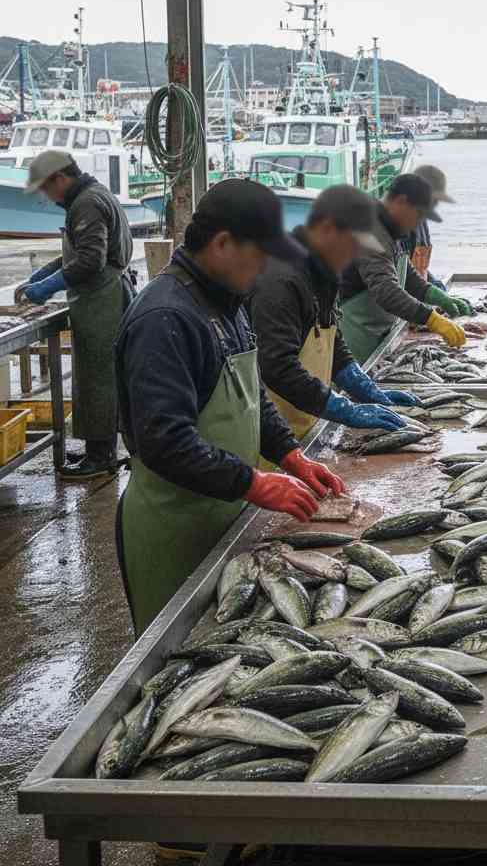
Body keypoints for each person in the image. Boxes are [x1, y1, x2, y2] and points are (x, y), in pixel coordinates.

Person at [114, 179, 344, 635]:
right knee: (177, 663)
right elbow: (164, 440)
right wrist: (252, 481)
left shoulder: (228, 303)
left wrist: (289, 454)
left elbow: (249, 395)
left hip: (222, 511)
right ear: (222, 244)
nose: (264, 271)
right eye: (259, 256)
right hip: (173, 526)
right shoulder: (165, 318)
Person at [247, 186, 419, 452]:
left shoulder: (324, 272)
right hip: (270, 439)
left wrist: (363, 385)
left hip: (306, 420)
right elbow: (276, 366)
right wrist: (342, 407)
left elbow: (330, 338)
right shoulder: (280, 281)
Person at [14, 150, 135, 479]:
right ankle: (100, 448)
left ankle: (100, 456)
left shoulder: (87, 203)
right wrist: (41, 275)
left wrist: (48, 287)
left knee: (98, 379)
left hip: (103, 301)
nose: (44, 195)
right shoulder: (91, 195)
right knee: (95, 376)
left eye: (44, 187)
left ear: (60, 179)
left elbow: (90, 261)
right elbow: (80, 251)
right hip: (100, 297)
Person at [339, 173, 469, 363]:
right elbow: (385, 290)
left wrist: (438, 297)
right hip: (354, 336)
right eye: (418, 216)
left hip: (376, 331)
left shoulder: (388, 227)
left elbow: (406, 275)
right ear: (401, 201)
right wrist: (432, 319)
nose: (417, 225)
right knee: (351, 389)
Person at [407, 163, 455, 288]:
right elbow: (387, 281)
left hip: (418, 292)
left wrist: (436, 286)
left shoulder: (421, 221)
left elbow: (420, 266)